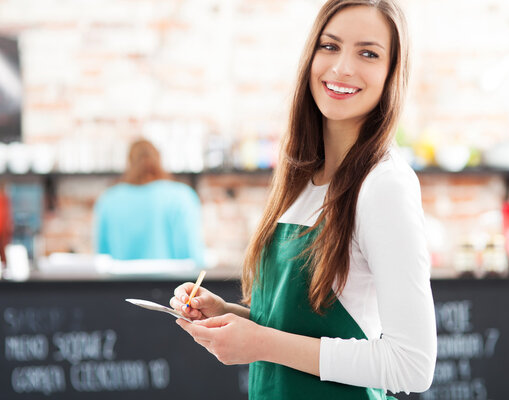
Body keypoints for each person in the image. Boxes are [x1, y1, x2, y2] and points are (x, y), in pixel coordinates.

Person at [170, 0, 436, 398]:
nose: (343, 67)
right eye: (330, 46)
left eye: (368, 53)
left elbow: (412, 366)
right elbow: (303, 331)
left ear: (391, 73)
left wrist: (260, 343)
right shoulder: (299, 177)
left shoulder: (384, 184)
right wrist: (230, 318)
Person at [94, 139, 205, 267]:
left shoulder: (109, 199)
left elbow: (102, 257)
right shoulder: (182, 196)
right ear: (159, 160)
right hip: (172, 284)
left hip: (120, 285)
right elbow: (193, 255)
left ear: (129, 163)